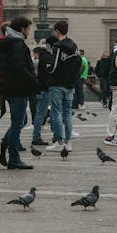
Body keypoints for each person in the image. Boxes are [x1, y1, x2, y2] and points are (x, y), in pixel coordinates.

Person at [0, 16, 37, 171]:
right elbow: (21, 68)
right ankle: (14, 158)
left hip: (9, 87)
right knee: (18, 123)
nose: (29, 32)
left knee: (21, 120)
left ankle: (4, 143)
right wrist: (33, 80)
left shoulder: (4, 43)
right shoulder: (18, 44)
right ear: (22, 29)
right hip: (19, 88)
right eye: (28, 28)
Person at [46, 20, 81, 151]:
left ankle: (59, 142)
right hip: (70, 84)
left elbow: (54, 66)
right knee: (67, 113)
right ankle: (69, 142)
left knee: (56, 113)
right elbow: (79, 63)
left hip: (57, 83)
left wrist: (48, 69)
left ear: (57, 31)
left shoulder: (57, 46)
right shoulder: (73, 45)